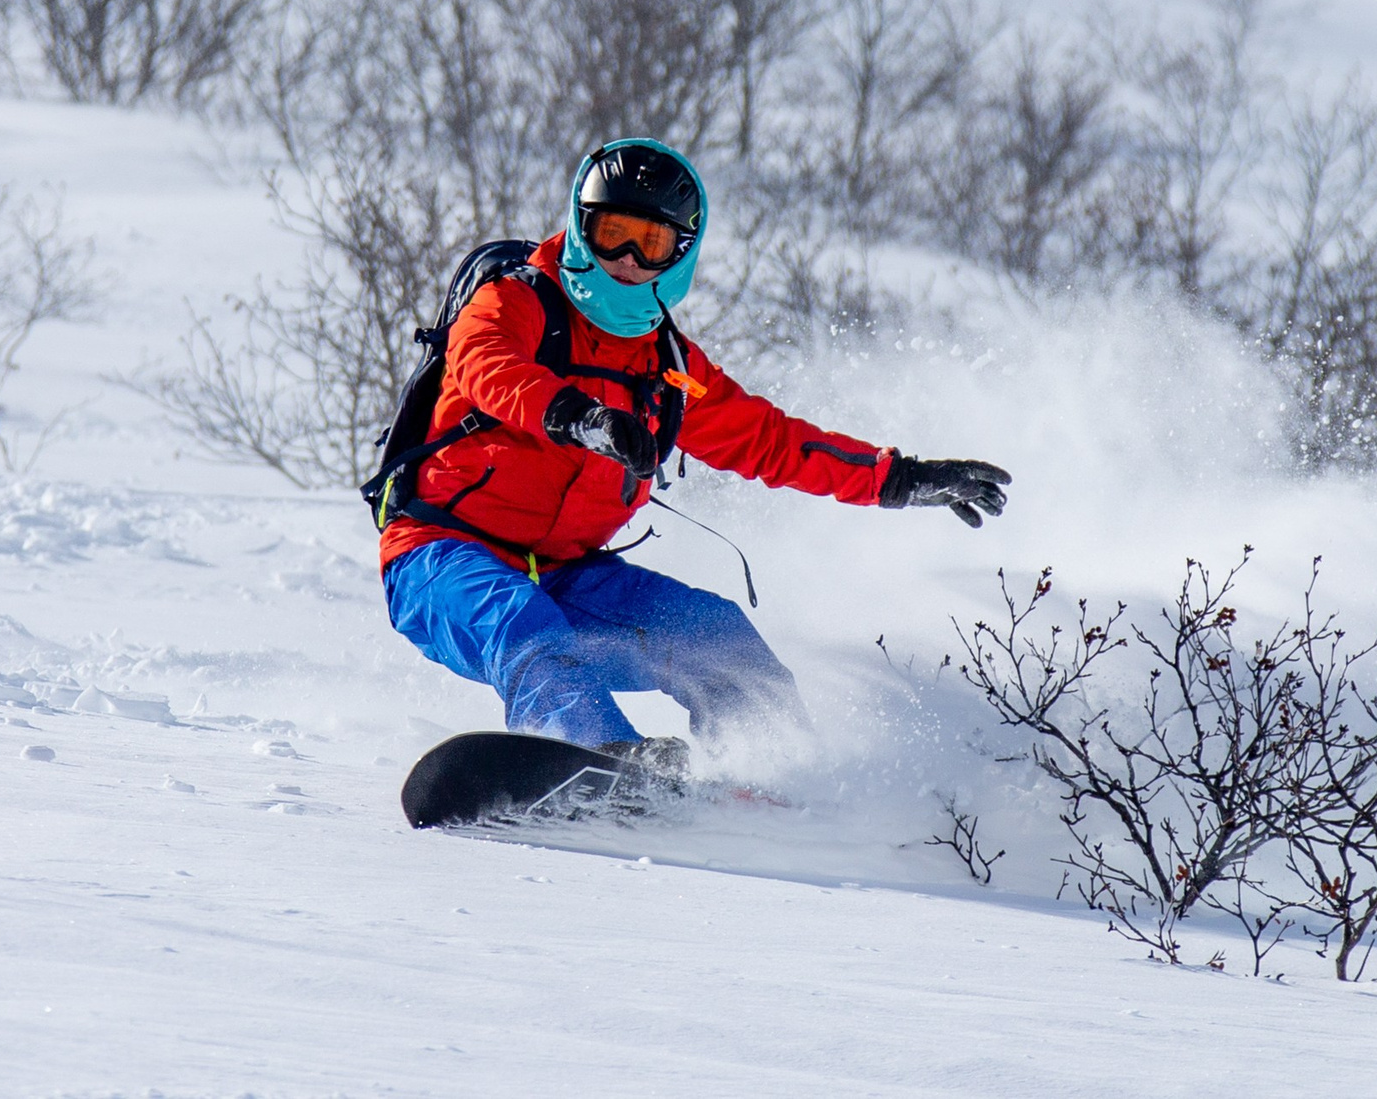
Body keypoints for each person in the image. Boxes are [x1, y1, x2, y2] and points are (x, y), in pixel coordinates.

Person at [377, 137, 1012, 766]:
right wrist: (579, 417)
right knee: (524, 626)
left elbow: (769, 440)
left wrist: (897, 479)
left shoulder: (670, 371)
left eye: (650, 243)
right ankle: (597, 757)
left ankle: (771, 782)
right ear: (580, 226)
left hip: (567, 571)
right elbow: (489, 365)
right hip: (441, 554)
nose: (626, 259)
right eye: (612, 233)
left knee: (721, 638)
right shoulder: (514, 301)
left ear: (678, 255)